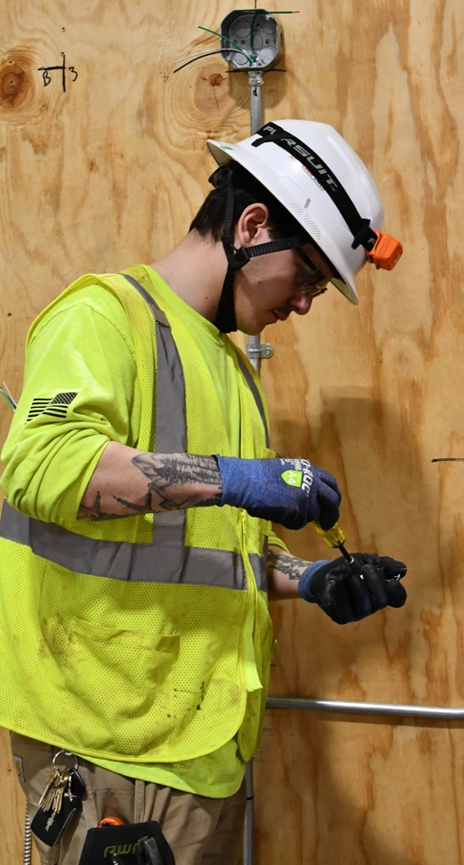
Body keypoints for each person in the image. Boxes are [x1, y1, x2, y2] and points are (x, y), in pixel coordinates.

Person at [0, 119, 407, 865]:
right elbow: (44, 468)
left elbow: (212, 549)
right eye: (310, 277)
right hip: (112, 745)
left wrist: (310, 578)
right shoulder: (104, 317)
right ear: (252, 225)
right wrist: (239, 478)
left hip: (197, 746)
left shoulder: (232, 370)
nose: (307, 304)